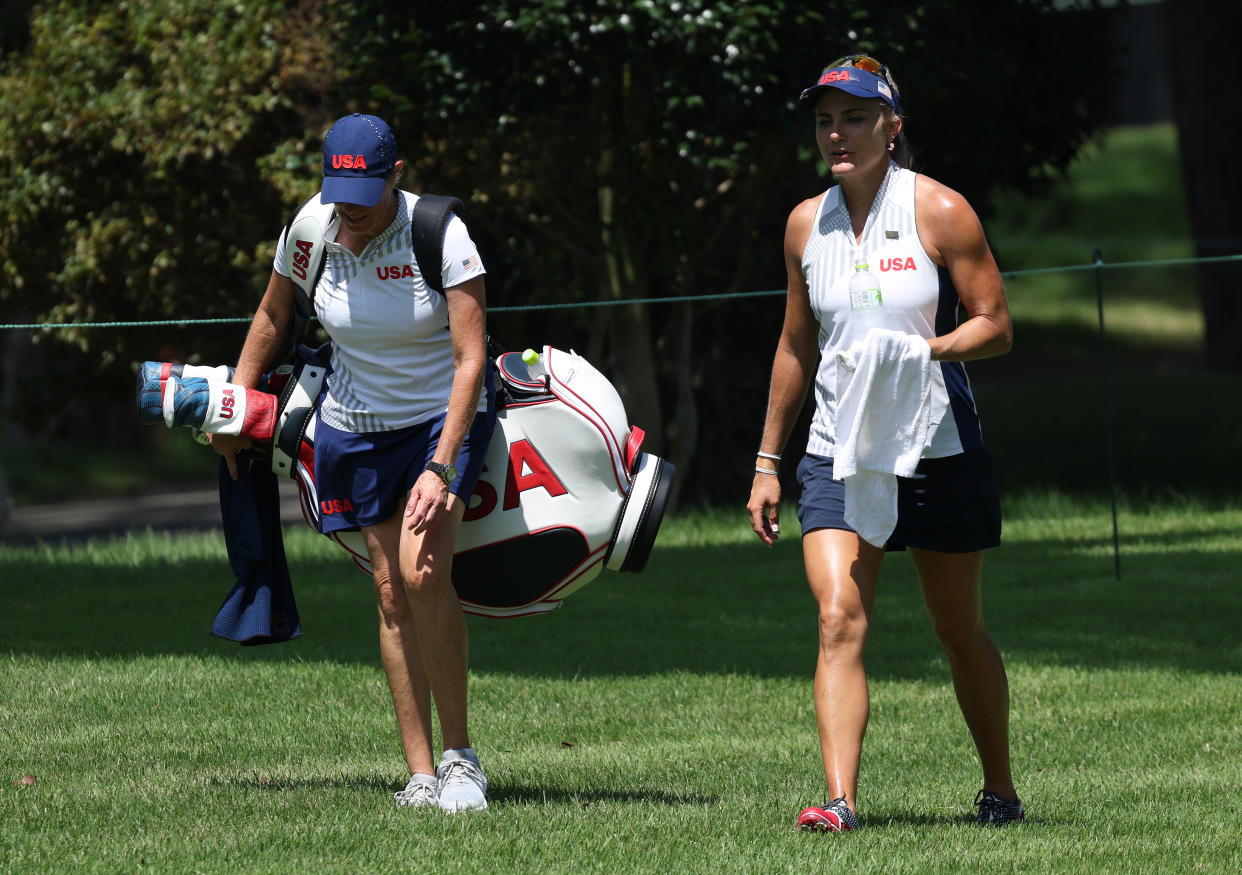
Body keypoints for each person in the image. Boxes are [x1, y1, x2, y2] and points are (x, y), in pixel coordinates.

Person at [745, 55, 1022, 830]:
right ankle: (840, 801)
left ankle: (999, 786)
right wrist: (768, 460)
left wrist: (924, 353)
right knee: (838, 616)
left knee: (956, 631)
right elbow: (796, 345)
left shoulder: (940, 209)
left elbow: (996, 325)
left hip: (937, 448)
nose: (838, 132)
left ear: (892, 126)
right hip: (839, 448)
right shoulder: (807, 222)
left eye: (856, 117)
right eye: (827, 119)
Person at [212, 112, 496, 813]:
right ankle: (420, 774)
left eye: (367, 196)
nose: (352, 212)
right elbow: (275, 316)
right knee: (390, 593)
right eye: (342, 196)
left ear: (396, 176)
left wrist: (441, 464)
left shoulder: (440, 235)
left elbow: (470, 358)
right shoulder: (312, 227)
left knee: (423, 570)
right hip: (356, 428)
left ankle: (462, 759)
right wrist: (235, 400)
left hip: (440, 418)